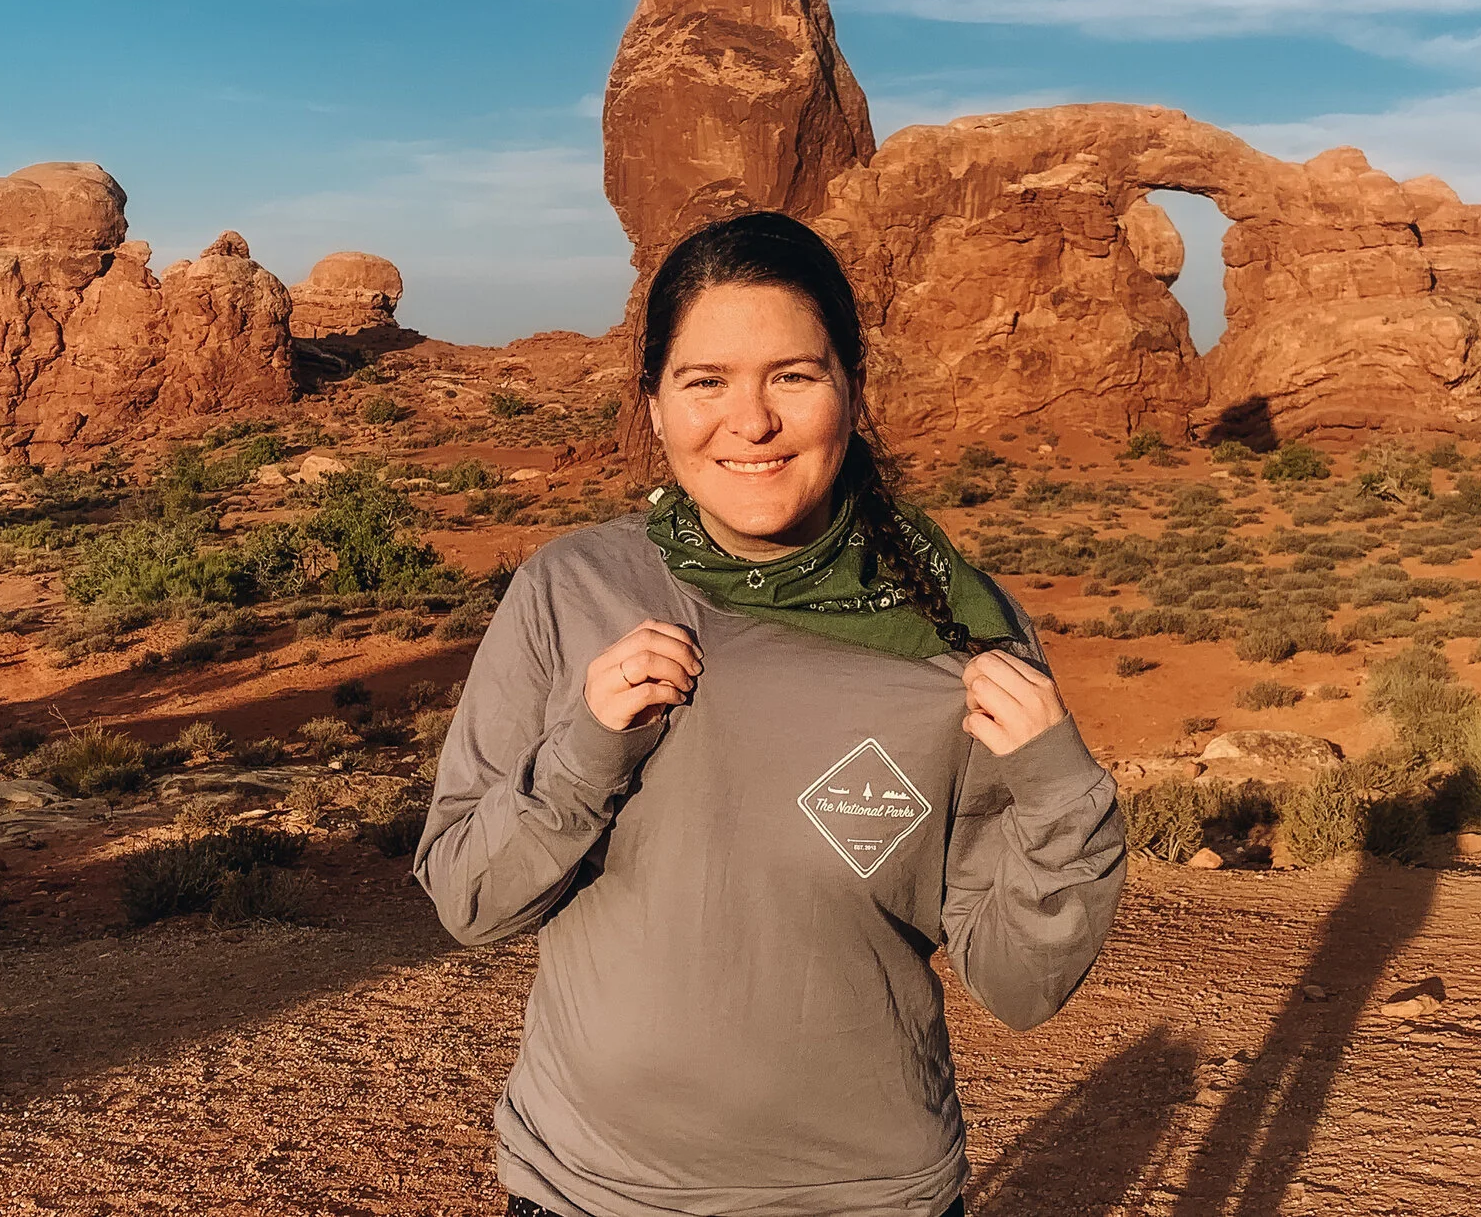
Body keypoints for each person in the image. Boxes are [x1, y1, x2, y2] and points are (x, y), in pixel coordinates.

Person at [418, 211, 1127, 1217]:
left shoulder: (957, 629)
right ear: (654, 406)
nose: (749, 423)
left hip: (864, 1196)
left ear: (850, 390)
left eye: (793, 376)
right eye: (705, 381)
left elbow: (1018, 984)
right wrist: (583, 752)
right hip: (583, 1189)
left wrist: (1064, 792)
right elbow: (468, 901)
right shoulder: (571, 589)